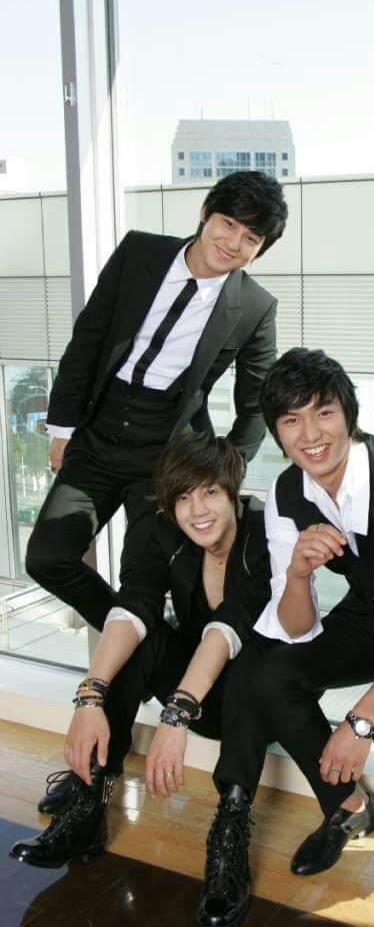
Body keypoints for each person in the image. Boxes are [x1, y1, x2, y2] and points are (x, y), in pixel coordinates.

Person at [193, 346, 374, 927]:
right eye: (292, 420)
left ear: (348, 415)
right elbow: (294, 627)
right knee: (265, 672)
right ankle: (346, 805)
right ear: (277, 431)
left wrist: (358, 721)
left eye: (324, 413)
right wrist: (296, 574)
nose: (311, 435)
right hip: (368, 617)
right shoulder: (287, 494)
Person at [11, 432, 271, 927]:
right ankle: (89, 803)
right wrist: (90, 696)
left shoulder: (264, 529)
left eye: (210, 492)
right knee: (143, 637)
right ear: (168, 503)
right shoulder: (159, 531)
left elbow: (231, 626)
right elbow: (133, 605)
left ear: (233, 490)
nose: (198, 509)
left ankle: (231, 833)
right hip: (196, 685)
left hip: (255, 699)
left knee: (254, 667)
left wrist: (176, 714)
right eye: (183, 497)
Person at [25, 171, 287, 632]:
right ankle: (152, 650)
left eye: (251, 238)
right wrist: (63, 429)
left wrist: (224, 472)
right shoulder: (138, 252)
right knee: (47, 557)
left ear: (259, 249)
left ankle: (143, 649)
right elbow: (88, 340)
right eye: (228, 224)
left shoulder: (255, 306)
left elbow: (256, 404)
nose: (233, 243)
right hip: (97, 436)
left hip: (169, 457)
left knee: (141, 586)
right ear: (205, 214)